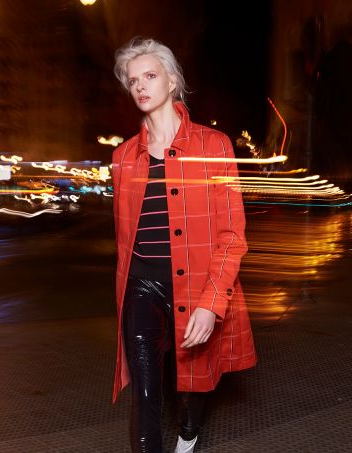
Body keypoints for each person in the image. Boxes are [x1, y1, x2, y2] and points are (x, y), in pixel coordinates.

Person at [110, 38, 256, 453]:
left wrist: (212, 303)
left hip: (195, 286)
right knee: (145, 395)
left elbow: (232, 234)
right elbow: (125, 239)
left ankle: (189, 433)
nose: (140, 86)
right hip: (140, 287)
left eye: (149, 75)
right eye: (133, 80)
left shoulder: (214, 146)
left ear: (172, 81)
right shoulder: (123, 157)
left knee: (194, 384)